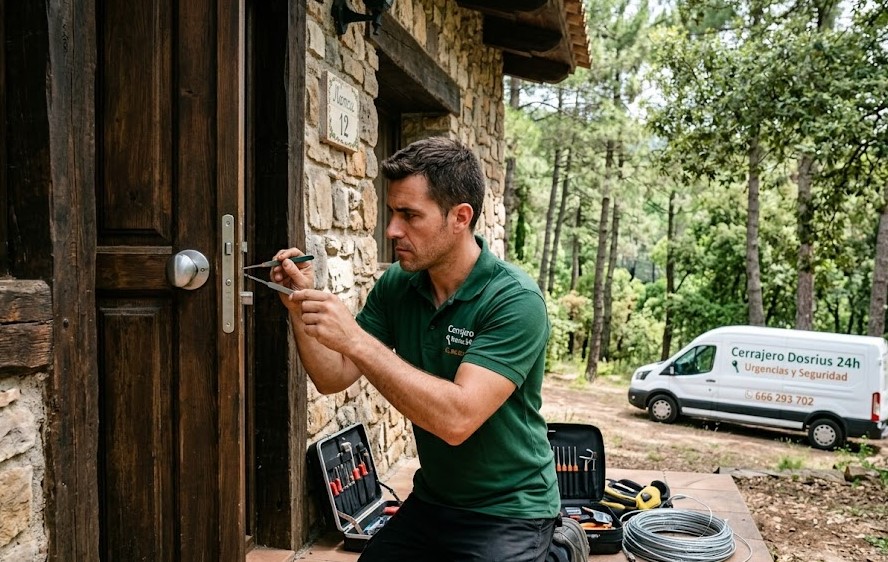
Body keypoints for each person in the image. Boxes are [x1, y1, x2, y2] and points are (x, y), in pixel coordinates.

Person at [270, 136, 560, 561]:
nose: (392, 230)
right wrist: (300, 306)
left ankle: (558, 547)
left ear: (460, 217)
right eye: (392, 212)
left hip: (512, 509)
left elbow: (457, 419)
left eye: (409, 215)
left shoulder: (515, 300)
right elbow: (333, 376)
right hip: (434, 501)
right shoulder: (399, 284)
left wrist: (356, 339)